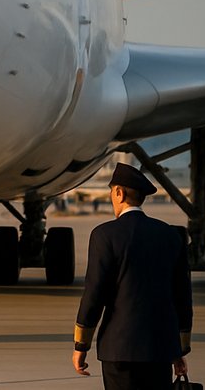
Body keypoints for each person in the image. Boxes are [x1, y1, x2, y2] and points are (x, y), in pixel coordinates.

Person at [72, 163, 193, 390]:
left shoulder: (104, 235)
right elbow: (183, 297)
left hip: (119, 349)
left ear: (119, 193)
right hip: (160, 349)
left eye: (111, 192)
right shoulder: (170, 235)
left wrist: (81, 345)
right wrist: (179, 350)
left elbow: (94, 294)